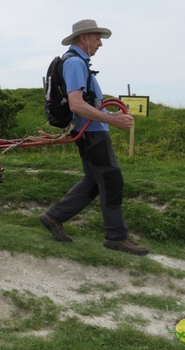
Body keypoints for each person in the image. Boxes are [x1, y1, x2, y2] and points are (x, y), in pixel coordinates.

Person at [38, 19, 149, 256]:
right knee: (111, 180)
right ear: (83, 38)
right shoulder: (76, 63)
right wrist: (113, 120)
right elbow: (77, 105)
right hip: (92, 133)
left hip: (89, 131)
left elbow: (88, 103)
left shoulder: (77, 63)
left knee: (93, 180)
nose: (100, 43)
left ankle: (53, 217)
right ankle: (117, 237)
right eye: (97, 38)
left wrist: (109, 114)